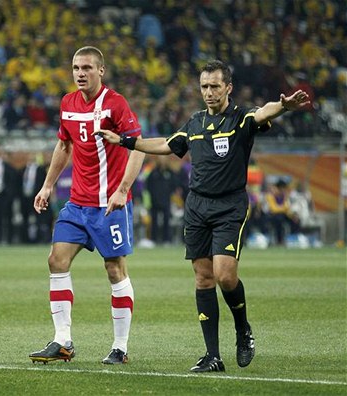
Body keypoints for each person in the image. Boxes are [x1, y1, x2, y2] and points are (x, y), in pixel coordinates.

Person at [96, 60, 310, 372]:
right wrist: (125, 141)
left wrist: (284, 105)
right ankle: (213, 356)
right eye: (204, 87)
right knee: (203, 277)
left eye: (214, 86)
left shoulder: (240, 118)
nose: (208, 92)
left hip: (229, 206)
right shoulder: (194, 124)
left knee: (224, 275)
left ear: (228, 88)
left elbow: (263, 112)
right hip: (197, 207)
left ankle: (242, 329)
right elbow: (167, 145)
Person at [29, 46, 145, 365]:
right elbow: (64, 144)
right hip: (77, 204)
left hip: (110, 205)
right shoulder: (67, 103)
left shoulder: (116, 104)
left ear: (101, 71)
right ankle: (62, 341)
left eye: (87, 68)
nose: (80, 73)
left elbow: (139, 148)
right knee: (56, 260)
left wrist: (123, 190)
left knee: (114, 269)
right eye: (76, 67)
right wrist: (48, 185)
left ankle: (120, 347)